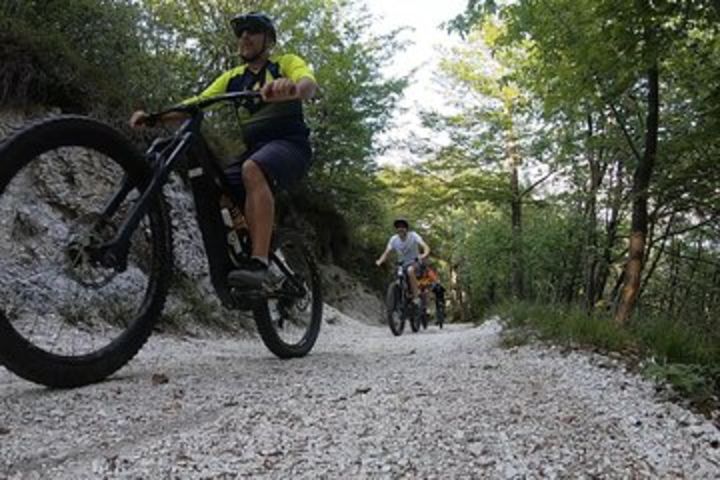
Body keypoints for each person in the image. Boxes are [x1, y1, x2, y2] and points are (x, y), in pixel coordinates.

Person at [129, 12, 318, 289]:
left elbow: (308, 83)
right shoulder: (233, 78)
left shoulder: (284, 64)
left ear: (269, 40)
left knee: (252, 169)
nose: (244, 36)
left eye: (252, 30)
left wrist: (291, 88)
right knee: (211, 189)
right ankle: (246, 242)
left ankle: (259, 263)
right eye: (240, 32)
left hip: (291, 145)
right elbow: (197, 103)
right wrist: (155, 117)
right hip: (256, 150)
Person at [375, 218, 431, 306]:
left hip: (415, 262)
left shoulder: (413, 236)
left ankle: (416, 297)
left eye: (402, 227)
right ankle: (398, 297)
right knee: (396, 275)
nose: (400, 229)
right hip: (402, 264)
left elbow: (426, 247)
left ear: (406, 228)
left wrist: (423, 255)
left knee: (410, 270)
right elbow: (386, 252)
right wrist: (380, 261)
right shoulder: (393, 239)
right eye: (398, 227)